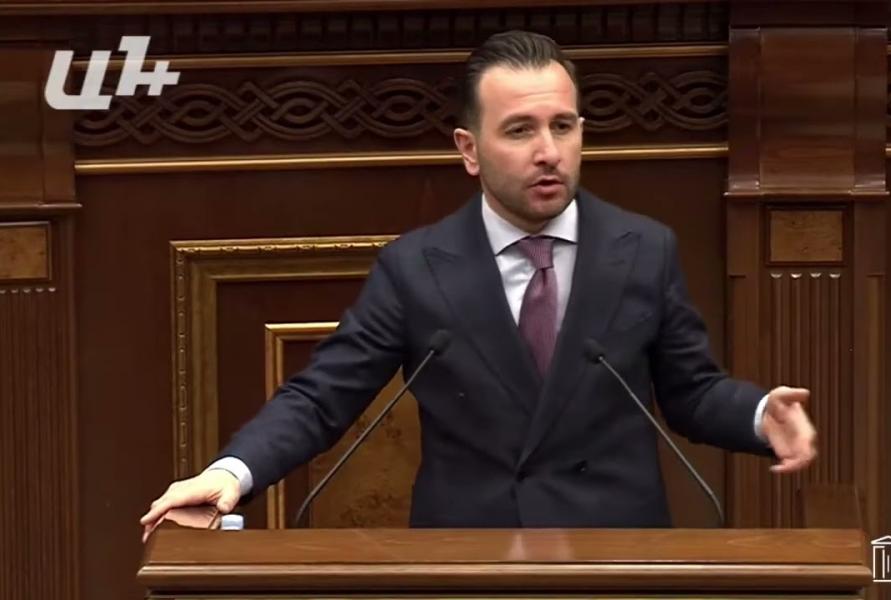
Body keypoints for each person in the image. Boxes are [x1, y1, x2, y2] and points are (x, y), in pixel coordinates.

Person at [141, 30, 816, 540]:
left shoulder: (643, 250)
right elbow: (321, 398)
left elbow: (691, 391)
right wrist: (230, 473)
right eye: (520, 131)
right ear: (469, 150)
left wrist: (759, 415)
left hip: (614, 553)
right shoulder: (416, 268)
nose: (547, 152)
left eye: (562, 127)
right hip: (467, 557)